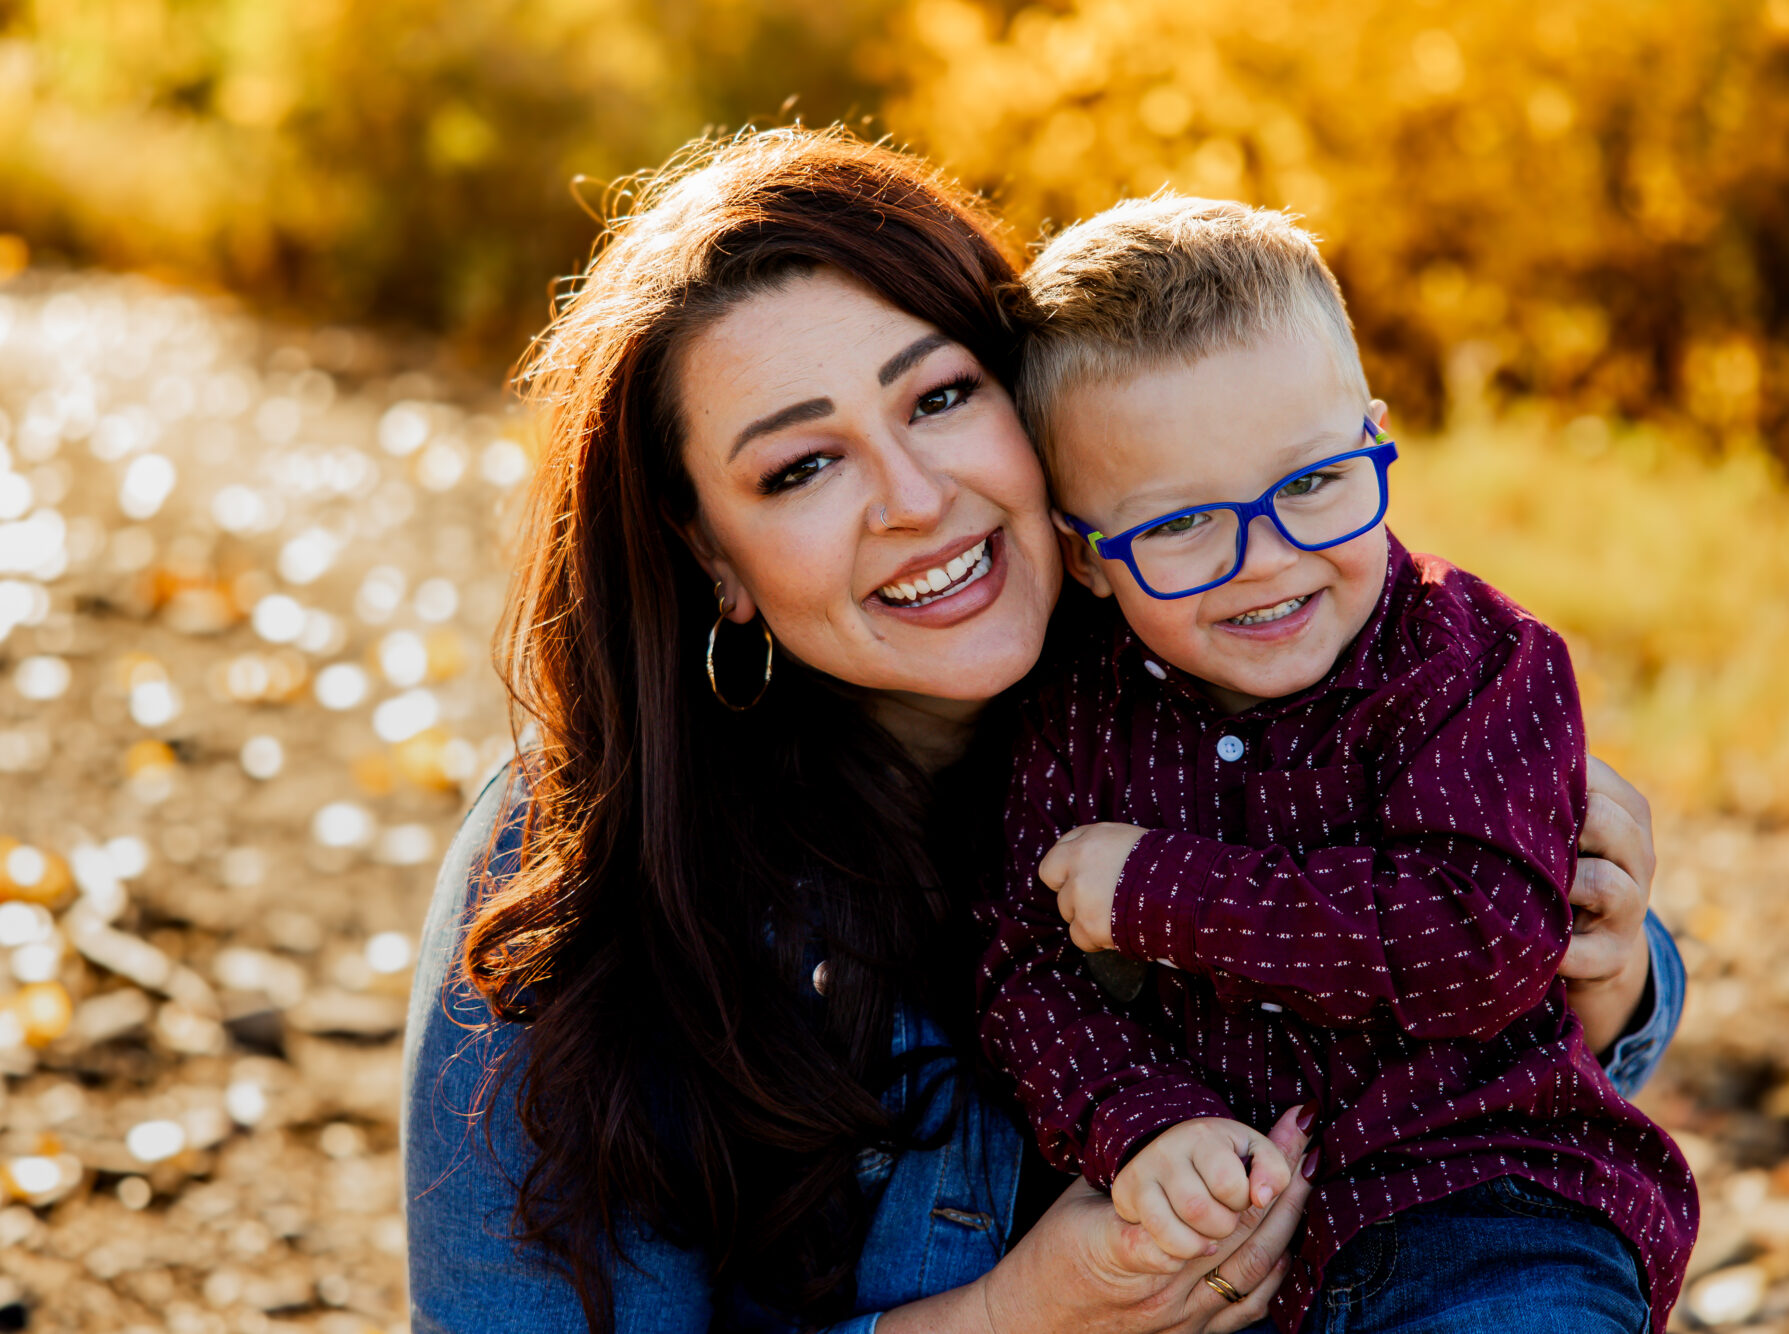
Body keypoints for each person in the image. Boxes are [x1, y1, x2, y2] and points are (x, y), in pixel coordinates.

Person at [401, 129, 1685, 1334]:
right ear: (712, 559)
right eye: (801, 468)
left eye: (943, 396)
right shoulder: (574, 880)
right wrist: (1013, 1318)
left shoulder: (1229, 653)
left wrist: (1606, 969)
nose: (914, 498)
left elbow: (1510, 961)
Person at [978, 197, 1697, 1334]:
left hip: (1488, 1205)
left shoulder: (1478, 665)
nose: (1265, 559)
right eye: (1178, 526)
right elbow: (1023, 970)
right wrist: (1144, 1121)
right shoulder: (1070, 721)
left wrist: (1160, 891)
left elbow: (1484, 940)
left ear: (1373, 433)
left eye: (1313, 483)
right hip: (1213, 1253)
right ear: (1086, 555)